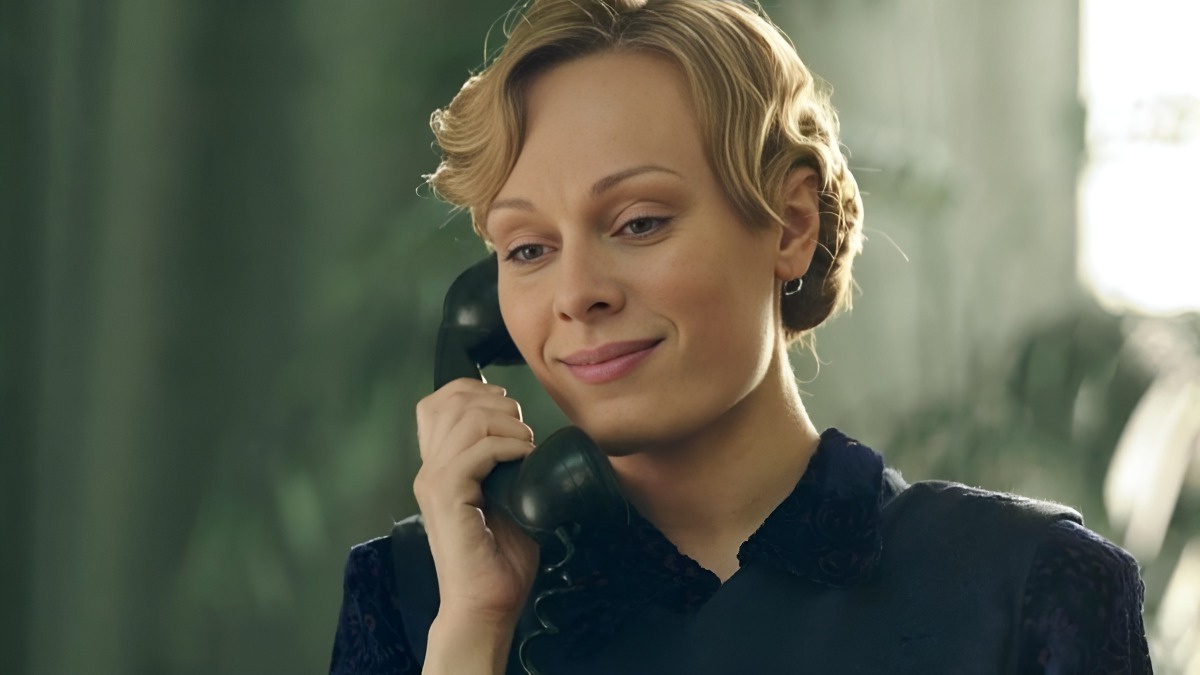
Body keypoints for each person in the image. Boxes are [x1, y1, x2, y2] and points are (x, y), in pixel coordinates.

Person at [329, 0, 1152, 672]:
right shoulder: (411, 597)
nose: (576, 294)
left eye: (640, 222)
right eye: (528, 249)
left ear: (791, 224)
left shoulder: (1032, 587)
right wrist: (471, 631)